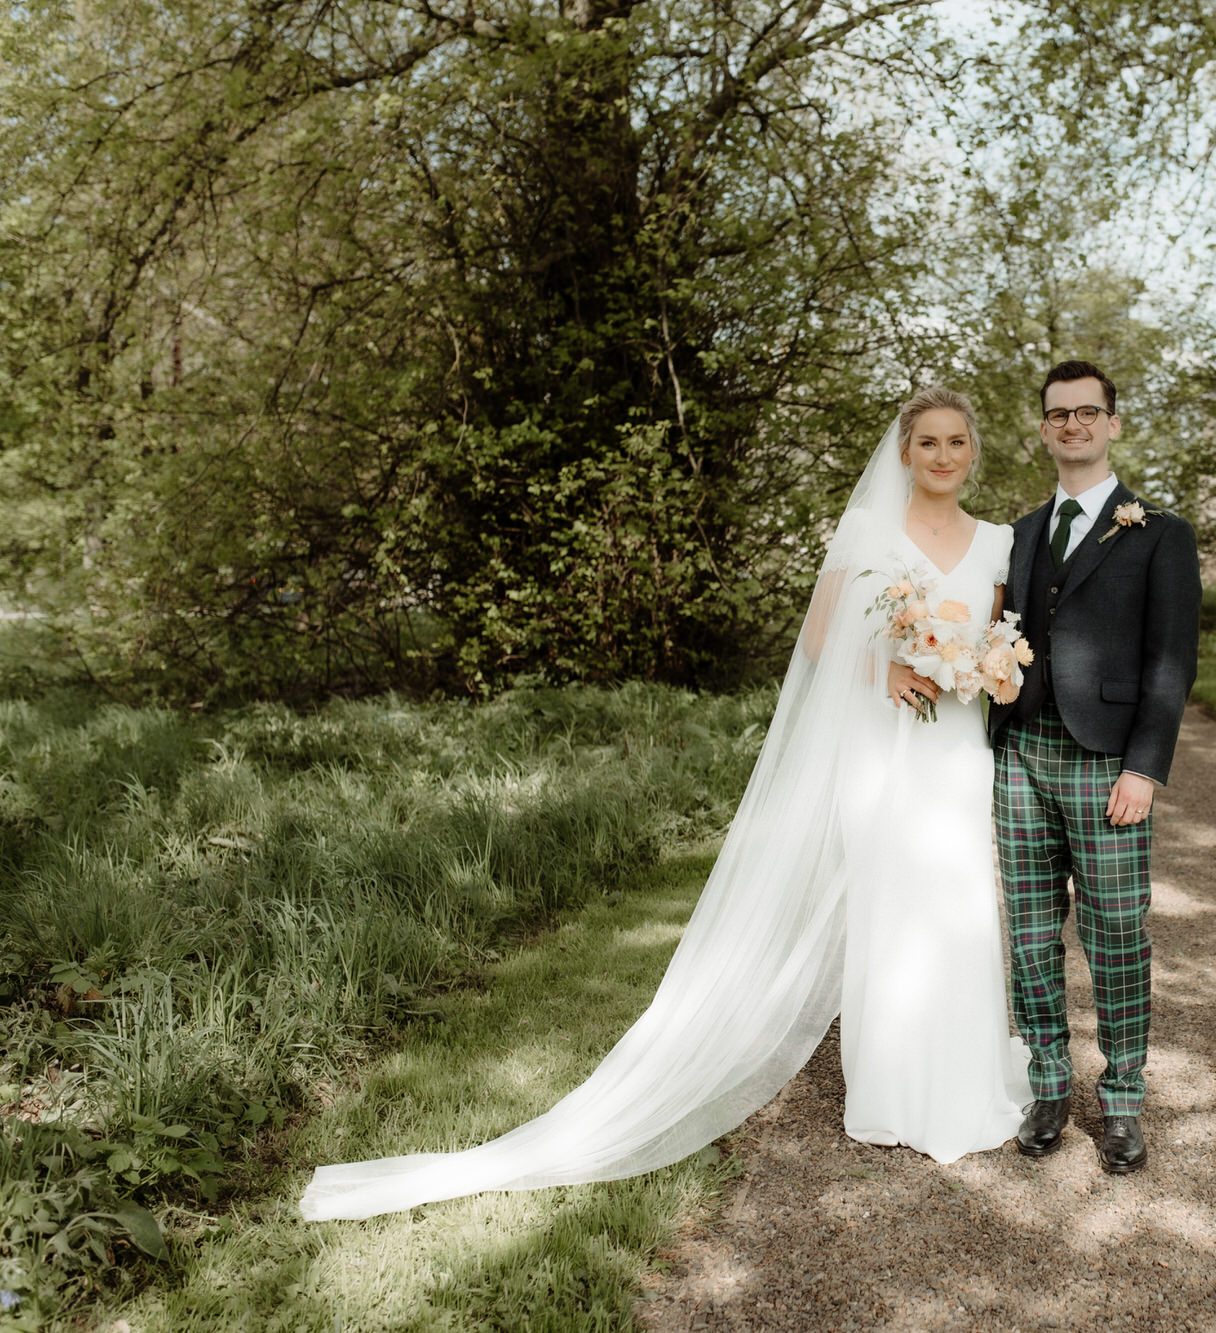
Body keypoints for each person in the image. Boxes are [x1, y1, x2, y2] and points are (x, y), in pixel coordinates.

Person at [299, 387, 1029, 1222]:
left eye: (957, 441)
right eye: (928, 441)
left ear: (975, 451)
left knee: (962, 904)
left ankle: (967, 1084)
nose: (942, 455)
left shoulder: (998, 543)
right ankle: (897, 1092)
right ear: (905, 451)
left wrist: (990, 668)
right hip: (885, 753)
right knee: (892, 907)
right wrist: (886, 669)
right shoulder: (868, 532)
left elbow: (997, 643)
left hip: (954, 755)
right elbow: (823, 639)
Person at [986, 359, 1202, 1175]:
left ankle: (1120, 1101)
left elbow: (1171, 662)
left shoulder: (1160, 534)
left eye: (1087, 412)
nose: (1071, 425)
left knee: (1115, 933)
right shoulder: (1018, 532)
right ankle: (1048, 1083)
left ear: (1113, 423)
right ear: (1043, 429)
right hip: (1020, 755)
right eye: (1057, 414)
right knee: (1032, 932)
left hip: (1109, 763)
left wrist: (1144, 768)